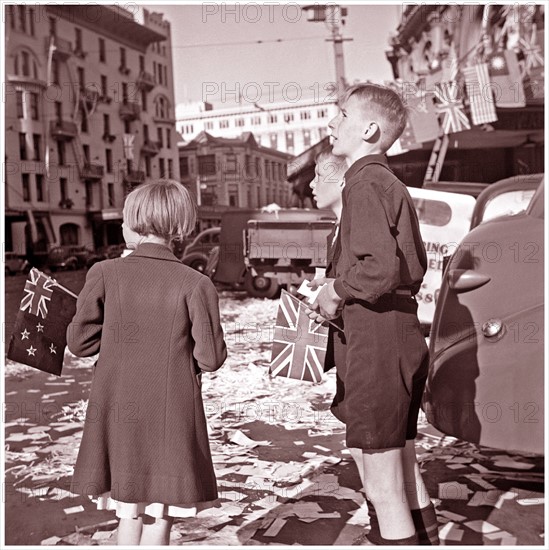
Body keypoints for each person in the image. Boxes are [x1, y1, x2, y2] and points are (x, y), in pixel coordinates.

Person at [307, 84, 439, 546]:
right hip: (401, 333)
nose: (331, 123)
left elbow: (378, 269)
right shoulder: (391, 183)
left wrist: (335, 291)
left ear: (368, 128)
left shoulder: (361, 182)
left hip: (375, 339)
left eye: (340, 115)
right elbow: (411, 266)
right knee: (402, 465)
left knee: (382, 487)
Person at [67, 180, 227, 546]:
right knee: (161, 513)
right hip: (172, 415)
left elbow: (79, 343)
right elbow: (211, 358)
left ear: (135, 222)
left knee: (128, 508)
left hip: (120, 410)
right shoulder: (196, 283)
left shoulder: (104, 273)